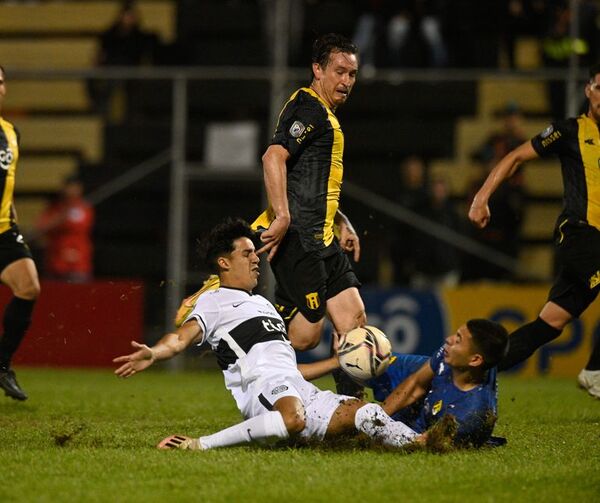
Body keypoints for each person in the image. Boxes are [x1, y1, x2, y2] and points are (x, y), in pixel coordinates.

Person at [113, 218, 452, 451]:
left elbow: (288, 369)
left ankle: (422, 443)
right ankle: (200, 444)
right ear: (224, 263)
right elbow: (180, 338)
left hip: (294, 386)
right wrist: (155, 353)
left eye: (255, 252)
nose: (256, 259)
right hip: (263, 392)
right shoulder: (213, 302)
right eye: (246, 254)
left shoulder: (264, 304)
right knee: (293, 418)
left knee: (367, 414)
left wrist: (339, 361)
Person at [469, 63, 600, 398]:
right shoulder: (570, 131)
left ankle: (472, 375)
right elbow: (515, 157)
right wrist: (482, 197)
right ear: (588, 89)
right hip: (580, 234)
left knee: (550, 323)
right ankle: (596, 370)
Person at [302, 319, 509, 447]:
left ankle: (340, 418)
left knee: (371, 425)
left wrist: (372, 431)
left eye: (458, 340)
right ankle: (350, 403)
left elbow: (425, 444)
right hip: (415, 376)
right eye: (456, 334)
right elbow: (416, 384)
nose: (448, 339)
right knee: (360, 356)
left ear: (475, 360)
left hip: (421, 422)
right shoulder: (452, 357)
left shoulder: (468, 415)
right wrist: (376, 414)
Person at [0, 65, 41, 401]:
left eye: (0, 82)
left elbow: (8, 179)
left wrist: (11, 210)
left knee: (29, 287)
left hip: (2, 229)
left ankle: (2, 365)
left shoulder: (11, 132)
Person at [35, 176, 94, 282]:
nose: (71, 190)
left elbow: (80, 226)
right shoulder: (54, 209)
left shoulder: (84, 208)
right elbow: (41, 227)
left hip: (78, 262)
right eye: (68, 187)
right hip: (56, 261)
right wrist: (59, 219)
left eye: (74, 187)